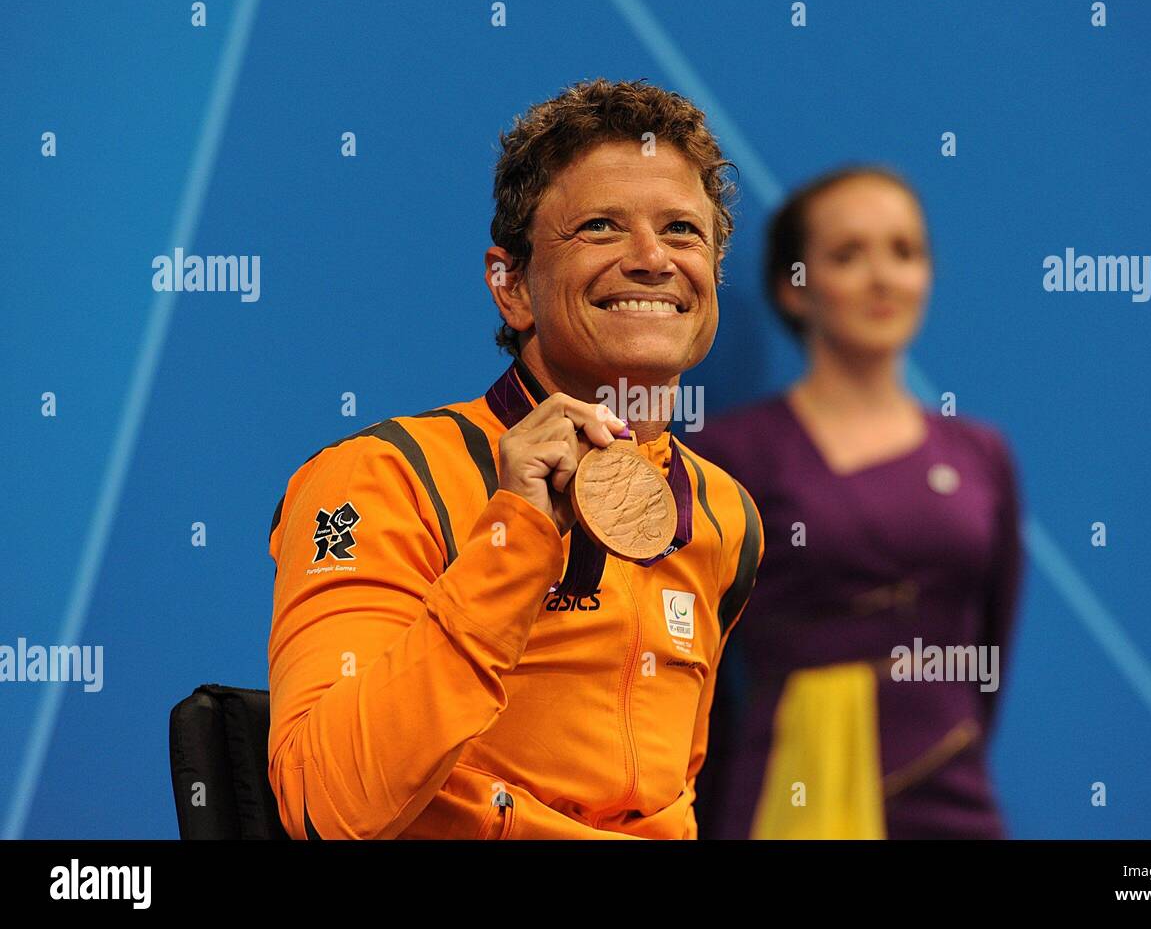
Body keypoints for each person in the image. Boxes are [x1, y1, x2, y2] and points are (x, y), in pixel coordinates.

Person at [265, 79, 764, 839]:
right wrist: (517, 534)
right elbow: (322, 803)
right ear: (512, 286)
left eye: (683, 232)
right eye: (601, 226)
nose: (652, 259)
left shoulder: (727, 515)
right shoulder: (383, 478)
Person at [690, 166, 1023, 839]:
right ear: (793, 287)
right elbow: (691, 673)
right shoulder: (728, 456)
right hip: (787, 791)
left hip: (952, 795)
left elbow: (993, 643)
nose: (883, 278)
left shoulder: (980, 455)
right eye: (847, 255)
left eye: (905, 252)